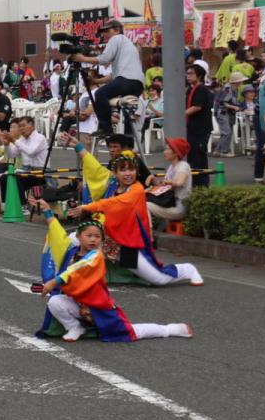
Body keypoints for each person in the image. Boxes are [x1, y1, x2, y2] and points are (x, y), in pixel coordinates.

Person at [31, 200, 192, 343]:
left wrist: (54, 281)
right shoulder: (71, 251)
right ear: (78, 237)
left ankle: (169, 329)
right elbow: (57, 233)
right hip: (77, 305)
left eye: (97, 236)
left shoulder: (96, 257)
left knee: (130, 332)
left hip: (98, 307)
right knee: (54, 301)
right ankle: (75, 327)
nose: (93, 239)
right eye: (89, 236)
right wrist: (47, 211)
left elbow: (76, 269)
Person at [66, 151, 203, 287]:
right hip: (106, 239)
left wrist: (88, 207)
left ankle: (186, 269)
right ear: (115, 173)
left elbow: (116, 203)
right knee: (72, 239)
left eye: (131, 169)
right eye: (123, 170)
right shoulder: (111, 184)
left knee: (158, 279)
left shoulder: (136, 190)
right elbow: (96, 169)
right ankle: (64, 276)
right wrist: (78, 147)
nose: (128, 173)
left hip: (128, 244)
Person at [72, 19, 143, 134]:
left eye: (106, 30)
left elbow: (104, 58)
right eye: (102, 31)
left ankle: (106, 129)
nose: (104, 34)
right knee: (126, 110)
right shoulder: (129, 45)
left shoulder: (116, 38)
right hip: (137, 84)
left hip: (126, 80)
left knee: (100, 93)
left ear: (117, 30)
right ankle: (128, 139)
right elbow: (113, 76)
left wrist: (82, 59)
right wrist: (96, 80)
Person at [0, 116, 48, 205]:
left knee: (17, 178)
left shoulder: (40, 138)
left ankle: (22, 205)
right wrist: (7, 144)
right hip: (26, 170)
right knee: (4, 177)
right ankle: (6, 204)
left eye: (23, 125)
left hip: (39, 172)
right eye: (20, 126)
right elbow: (12, 154)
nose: (21, 128)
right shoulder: (22, 139)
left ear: (31, 125)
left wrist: (14, 140)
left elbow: (31, 152)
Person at [146, 137, 191, 223]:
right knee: (142, 204)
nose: (164, 152)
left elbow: (179, 182)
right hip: (170, 203)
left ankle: (148, 234)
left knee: (144, 206)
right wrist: (153, 179)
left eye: (167, 149)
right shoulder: (171, 167)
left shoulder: (183, 166)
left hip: (179, 207)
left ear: (176, 152)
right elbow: (164, 186)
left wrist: (169, 182)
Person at [184, 64, 213, 186]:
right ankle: (194, 184)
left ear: (199, 76)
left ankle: (202, 185)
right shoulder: (191, 89)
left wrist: (180, 115)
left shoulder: (201, 89)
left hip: (200, 128)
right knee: (192, 157)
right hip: (191, 128)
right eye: (187, 73)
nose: (188, 76)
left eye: (191, 73)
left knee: (199, 157)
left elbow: (197, 106)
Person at [214, 71, 246, 156]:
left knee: (227, 132)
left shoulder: (234, 89)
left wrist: (239, 107)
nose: (242, 82)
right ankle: (222, 151)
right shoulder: (228, 89)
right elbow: (222, 102)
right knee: (226, 132)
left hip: (228, 113)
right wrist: (234, 107)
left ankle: (219, 151)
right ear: (237, 81)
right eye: (241, 80)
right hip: (223, 113)